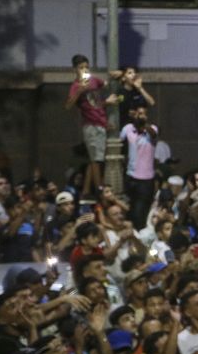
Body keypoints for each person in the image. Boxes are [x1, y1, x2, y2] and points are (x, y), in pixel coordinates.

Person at [65, 54, 118, 199]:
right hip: (91, 126)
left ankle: (87, 191)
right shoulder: (75, 86)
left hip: (101, 123)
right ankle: (100, 188)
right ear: (75, 70)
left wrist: (114, 76)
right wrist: (80, 91)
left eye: (86, 67)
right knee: (96, 160)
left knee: (95, 158)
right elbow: (68, 105)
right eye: (81, 68)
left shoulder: (94, 81)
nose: (84, 70)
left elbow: (98, 99)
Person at [120, 106, 158, 229]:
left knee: (140, 211)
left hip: (146, 179)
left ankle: (140, 234)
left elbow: (153, 134)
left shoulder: (152, 129)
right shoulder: (128, 129)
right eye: (138, 113)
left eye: (143, 114)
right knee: (129, 209)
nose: (140, 116)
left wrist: (143, 124)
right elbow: (118, 142)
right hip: (130, 176)